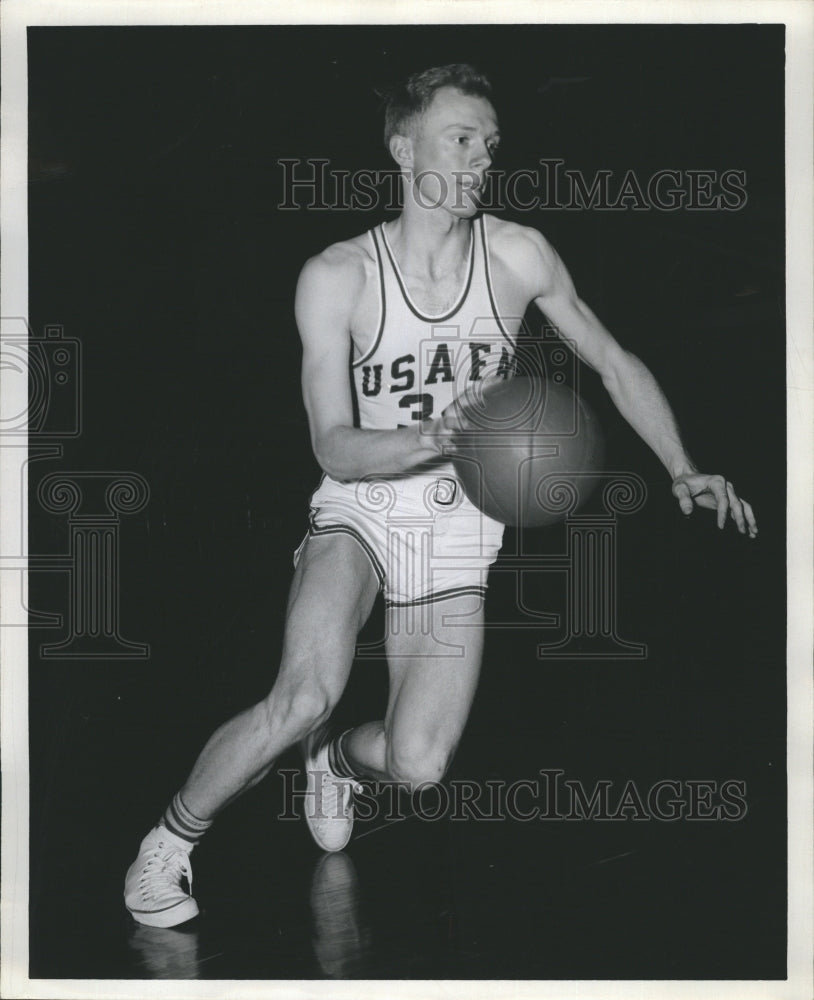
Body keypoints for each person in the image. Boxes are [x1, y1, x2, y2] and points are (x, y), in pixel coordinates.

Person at [124, 63, 758, 928]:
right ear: (401, 146)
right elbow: (331, 443)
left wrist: (683, 466)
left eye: (490, 145)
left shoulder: (519, 254)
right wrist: (431, 439)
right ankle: (169, 843)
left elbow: (613, 362)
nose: (481, 158)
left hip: (458, 531)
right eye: (462, 138)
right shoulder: (337, 275)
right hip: (360, 505)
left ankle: (339, 764)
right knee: (303, 693)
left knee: (418, 765)